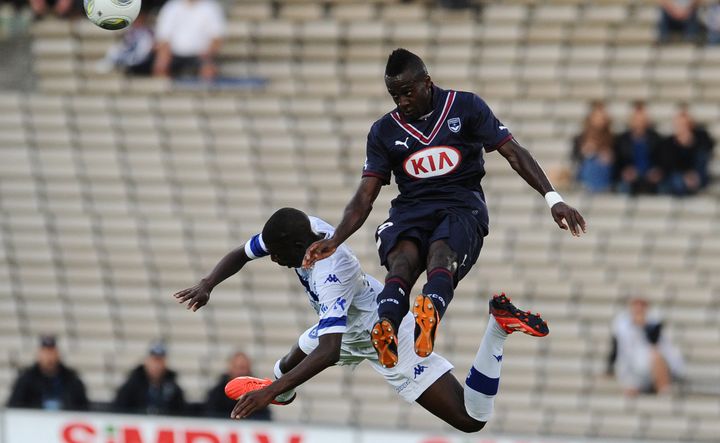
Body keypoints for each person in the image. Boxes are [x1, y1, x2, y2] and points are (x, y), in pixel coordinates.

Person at [302, 48, 584, 368]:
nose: (402, 102)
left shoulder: (465, 107)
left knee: (442, 252)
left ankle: (429, 311)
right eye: (395, 95)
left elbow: (514, 152)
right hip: (410, 209)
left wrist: (553, 198)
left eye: (408, 92)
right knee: (402, 261)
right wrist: (336, 238)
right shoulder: (384, 131)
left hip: (461, 204)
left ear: (427, 83)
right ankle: (387, 327)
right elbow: (364, 196)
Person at [174, 208, 548, 432]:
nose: (272, 260)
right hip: (342, 322)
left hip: (381, 335)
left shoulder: (329, 272)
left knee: (470, 419)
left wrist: (269, 393)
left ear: (295, 246)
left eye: (276, 255)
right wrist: (207, 283)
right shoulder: (303, 230)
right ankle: (281, 385)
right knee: (288, 364)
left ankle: (497, 328)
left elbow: (330, 351)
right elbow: (242, 253)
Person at [607, 297, 685, 396]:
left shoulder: (654, 323)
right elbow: (616, 348)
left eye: (642, 305)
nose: (638, 309)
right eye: (636, 305)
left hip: (653, 365)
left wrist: (644, 326)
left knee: (656, 357)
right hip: (633, 368)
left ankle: (663, 389)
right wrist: (609, 368)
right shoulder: (622, 326)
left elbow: (655, 343)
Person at [6, 335, 89, 411]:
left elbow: (83, 407)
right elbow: (13, 406)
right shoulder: (26, 380)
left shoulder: (72, 379)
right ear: (39, 355)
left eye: (52, 352)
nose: (49, 357)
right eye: (45, 353)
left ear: (58, 354)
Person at [152, 0, 225, 80]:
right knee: (160, 65)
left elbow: (217, 38)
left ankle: (204, 92)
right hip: (173, 54)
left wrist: (208, 54)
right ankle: (163, 91)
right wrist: (164, 56)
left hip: (200, 55)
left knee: (208, 70)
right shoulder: (171, 6)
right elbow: (163, 37)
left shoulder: (211, 7)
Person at [112, 341, 186, 415]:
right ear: (147, 361)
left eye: (160, 361)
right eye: (154, 360)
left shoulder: (173, 388)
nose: (156, 366)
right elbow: (119, 408)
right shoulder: (132, 386)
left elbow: (180, 411)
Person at [656, 105, 715, 196]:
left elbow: (706, 152)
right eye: (679, 124)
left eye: (685, 124)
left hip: (697, 174)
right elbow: (668, 165)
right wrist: (685, 175)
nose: (682, 127)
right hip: (679, 176)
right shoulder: (668, 143)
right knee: (676, 181)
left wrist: (690, 142)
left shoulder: (701, 137)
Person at [613, 101, 663, 195]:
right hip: (630, 178)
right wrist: (624, 172)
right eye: (637, 118)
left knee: (664, 188)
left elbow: (662, 161)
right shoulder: (622, 140)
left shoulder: (656, 138)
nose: (639, 122)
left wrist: (657, 171)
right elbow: (617, 162)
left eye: (642, 118)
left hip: (650, 177)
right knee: (622, 188)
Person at [204, 351, 271, 420]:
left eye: (243, 368)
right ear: (230, 368)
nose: (240, 372)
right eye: (238, 367)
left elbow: (264, 418)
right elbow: (210, 416)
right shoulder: (217, 393)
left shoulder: (259, 393)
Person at [572, 101, 615, 193]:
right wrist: (585, 152)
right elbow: (574, 158)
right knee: (590, 162)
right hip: (586, 170)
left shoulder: (612, 138)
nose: (600, 119)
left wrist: (609, 157)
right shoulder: (580, 138)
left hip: (605, 172)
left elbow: (617, 159)